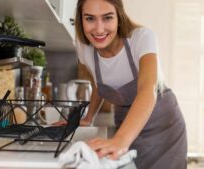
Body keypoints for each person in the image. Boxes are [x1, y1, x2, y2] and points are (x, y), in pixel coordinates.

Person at [56, 0, 187, 168]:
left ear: (119, 16)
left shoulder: (141, 37)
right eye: (90, 19)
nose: (99, 29)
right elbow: (99, 83)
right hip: (125, 122)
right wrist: (88, 117)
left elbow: (148, 89)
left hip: (162, 126)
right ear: (80, 20)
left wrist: (120, 140)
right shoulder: (84, 47)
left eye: (107, 18)